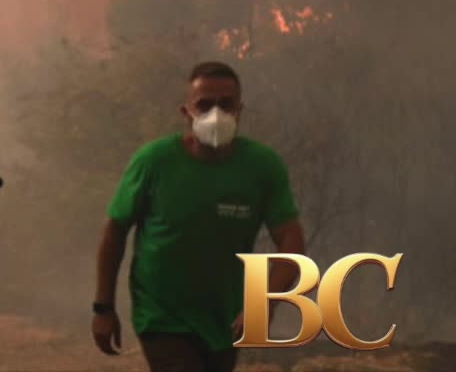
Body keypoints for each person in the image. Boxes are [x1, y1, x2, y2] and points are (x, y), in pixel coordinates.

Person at [92, 61, 307, 372]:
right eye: (204, 105)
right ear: (186, 112)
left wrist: (264, 303)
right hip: (162, 317)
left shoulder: (263, 167)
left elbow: (291, 240)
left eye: (226, 104)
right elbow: (115, 231)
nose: (216, 114)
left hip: (224, 320)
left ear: (239, 110)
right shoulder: (154, 162)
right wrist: (103, 307)